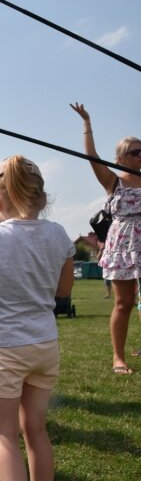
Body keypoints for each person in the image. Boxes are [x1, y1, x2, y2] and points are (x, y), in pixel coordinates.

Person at [0, 155, 74, 481]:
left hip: (3, 347)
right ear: (40, 197)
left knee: (2, 435)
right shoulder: (60, 235)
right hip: (44, 345)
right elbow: (63, 291)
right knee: (36, 430)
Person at [72, 102, 140, 375]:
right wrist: (87, 123)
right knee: (123, 303)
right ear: (121, 158)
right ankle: (118, 357)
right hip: (124, 245)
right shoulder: (114, 181)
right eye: (136, 152)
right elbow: (92, 156)